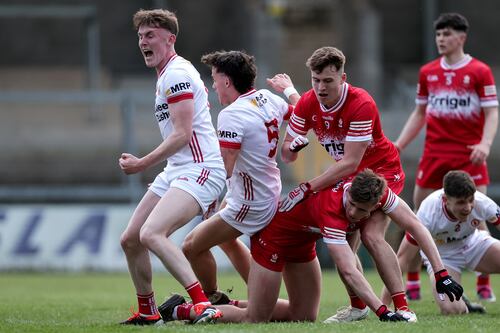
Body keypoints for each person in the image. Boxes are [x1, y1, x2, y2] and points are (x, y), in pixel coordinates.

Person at [158, 170, 463, 324]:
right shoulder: (332, 210)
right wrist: (382, 312)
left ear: (376, 203)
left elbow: (415, 226)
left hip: (303, 244)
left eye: (363, 211)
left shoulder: (377, 193)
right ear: (348, 196)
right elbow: (348, 269)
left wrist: (440, 273)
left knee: (303, 317)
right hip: (273, 239)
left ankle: (227, 304)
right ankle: (181, 309)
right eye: (352, 207)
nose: (355, 215)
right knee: (257, 319)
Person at [267, 46, 416, 322]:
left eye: (328, 81)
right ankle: (359, 307)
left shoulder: (361, 103)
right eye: (315, 80)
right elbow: (287, 153)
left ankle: (403, 306)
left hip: (381, 171)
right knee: (345, 245)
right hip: (346, 176)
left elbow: (350, 162)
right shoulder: (309, 102)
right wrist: (293, 146)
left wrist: (307, 187)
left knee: (371, 236)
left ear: (343, 78)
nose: (321, 87)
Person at [118, 9, 226, 325]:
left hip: (200, 167)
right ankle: (149, 312)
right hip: (180, 168)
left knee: (152, 233)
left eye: (150, 35)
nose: (143, 42)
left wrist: (142, 164)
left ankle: (203, 304)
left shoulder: (177, 74)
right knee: (131, 238)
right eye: (140, 36)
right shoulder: (166, 75)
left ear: (170, 39)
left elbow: (183, 133)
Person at [394, 12, 498, 302]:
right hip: (435, 155)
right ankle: (412, 278)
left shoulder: (479, 71)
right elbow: (419, 113)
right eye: (438, 34)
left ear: (461, 38)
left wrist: (485, 144)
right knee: (418, 221)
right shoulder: (428, 72)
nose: (441, 39)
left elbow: (492, 112)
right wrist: (399, 145)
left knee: (477, 215)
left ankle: (483, 283)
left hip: (470, 157)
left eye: (447, 34)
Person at [178, 50, 292, 307]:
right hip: (262, 189)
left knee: (190, 246)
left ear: (227, 81)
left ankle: (214, 299)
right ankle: (259, 292)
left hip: (250, 202)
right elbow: (299, 114)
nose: (214, 84)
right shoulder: (267, 98)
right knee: (227, 240)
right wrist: (289, 91)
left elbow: (224, 170)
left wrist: (197, 192)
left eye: (215, 78)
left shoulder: (231, 114)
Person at [393, 170, 500, 314]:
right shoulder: (428, 211)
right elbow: (403, 259)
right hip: (443, 257)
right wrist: (386, 305)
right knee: (453, 310)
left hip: (474, 244)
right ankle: (464, 304)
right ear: (445, 199)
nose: (468, 207)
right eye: (461, 202)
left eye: (470, 200)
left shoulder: (482, 202)